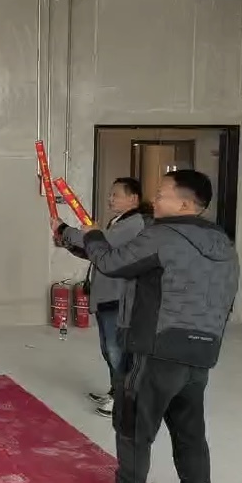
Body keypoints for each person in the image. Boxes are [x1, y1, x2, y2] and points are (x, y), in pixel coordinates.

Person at [53, 169, 238, 483]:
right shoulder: (222, 242)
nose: (156, 199)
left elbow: (111, 263)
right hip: (201, 350)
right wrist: (75, 238)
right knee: (189, 427)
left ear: (185, 204)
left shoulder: (162, 235)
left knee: (134, 422)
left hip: (156, 347)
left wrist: (88, 234)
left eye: (163, 193)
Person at [60, 177, 151, 417]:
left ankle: (124, 399)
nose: (110, 199)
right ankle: (115, 391)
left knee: (116, 349)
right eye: (110, 194)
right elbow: (96, 251)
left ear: (133, 198)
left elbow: (100, 241)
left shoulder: (134, 223)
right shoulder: (119, 222)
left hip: (119, 295)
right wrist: (67, 240)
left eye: (116, 195)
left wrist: (64, 230)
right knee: (108, 347)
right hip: (107, 294)